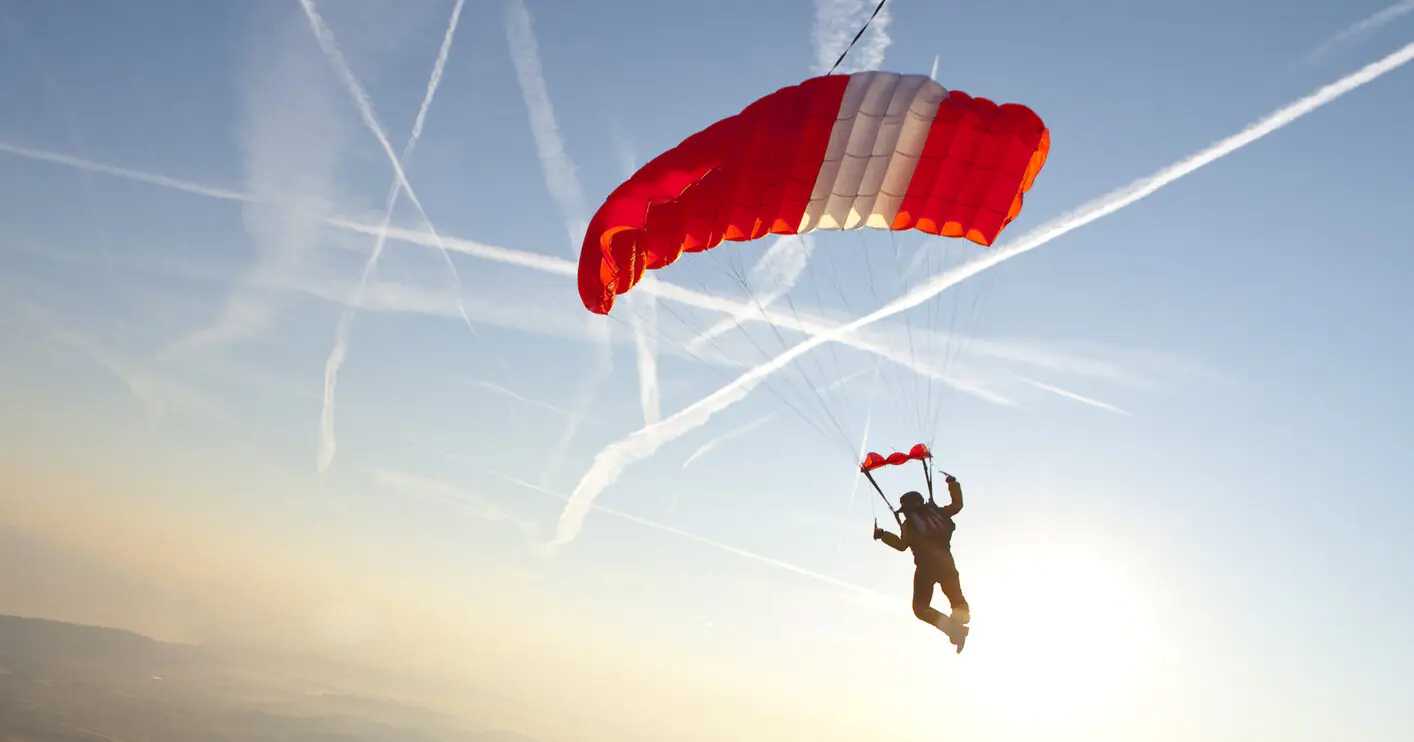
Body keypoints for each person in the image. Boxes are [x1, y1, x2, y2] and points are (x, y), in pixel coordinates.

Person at [873, 474, 970, 644]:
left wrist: (883, 535)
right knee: (956, 600)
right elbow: (957, 505)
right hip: (946, 563)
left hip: (926, 570)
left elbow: (902, 545)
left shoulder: (910, 525)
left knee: (920, 608)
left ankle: (954, 629)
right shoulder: (937, 514)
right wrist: (953, 484)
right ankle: (959, 620)